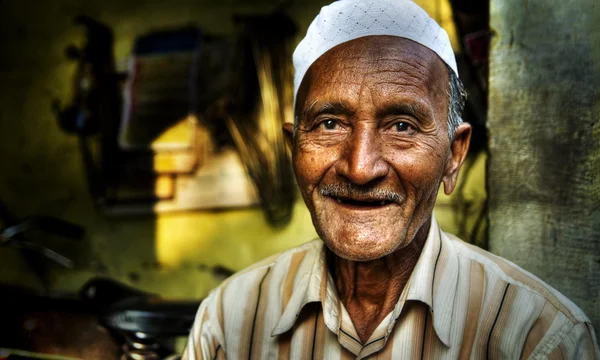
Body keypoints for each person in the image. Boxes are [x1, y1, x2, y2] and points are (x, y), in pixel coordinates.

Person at [182, 0, 600, 358]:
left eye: (402, 126)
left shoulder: (540, 338)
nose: (361, 168)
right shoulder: (228, 322)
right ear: (295, 148)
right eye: (329, 123)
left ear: (453, 157)